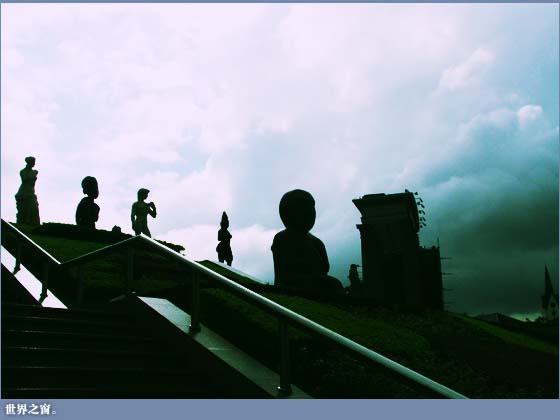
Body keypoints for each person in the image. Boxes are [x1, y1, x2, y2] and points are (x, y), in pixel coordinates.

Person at [271, 189, 330, 291]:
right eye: (305, 210)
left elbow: (324, 269)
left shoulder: (317, 242)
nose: (311, 214)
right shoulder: (282, 238)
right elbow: (283, 273)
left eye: (312, 209)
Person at [15, 156, 40, 225]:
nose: (34, 163)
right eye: (33, 162)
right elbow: (24, 179)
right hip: (23, 192)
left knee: (34, 210)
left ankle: (33, 225)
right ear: (29, 162)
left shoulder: (33, 172)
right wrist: (34, 174)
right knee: (23, 211)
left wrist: (34, 173)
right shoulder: (23, 171)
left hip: (31, 193)